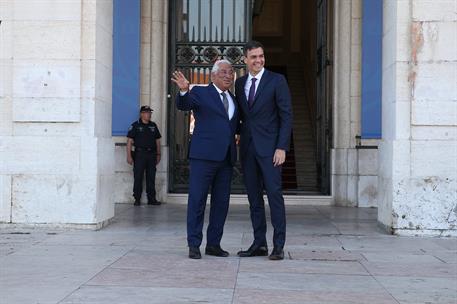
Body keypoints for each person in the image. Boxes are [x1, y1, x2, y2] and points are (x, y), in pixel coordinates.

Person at [171, 60, 239, 259]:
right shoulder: (201, 93)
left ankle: (214, 244)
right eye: (224, 72)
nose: (228, 76)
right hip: (203, 158)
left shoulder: (234, 99)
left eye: (231, 72)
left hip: (226, 159)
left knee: (221, 203)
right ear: (213, 75)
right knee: (197, 201)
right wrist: (184, 90)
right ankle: (194, 244)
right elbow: (184, 105)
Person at [235, 40, 293, 260]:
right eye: (253, 57)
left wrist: (281, 147)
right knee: (254, 199)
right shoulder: (240, 84)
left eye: (261, 56)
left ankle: (278, 245)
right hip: (248, 150)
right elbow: (241, 116)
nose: (258, 60)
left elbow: (286, 116)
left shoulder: (277, 81)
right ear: (245, 60)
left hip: (271, 151)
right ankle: (259, 243)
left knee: (275, 197)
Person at [126, 105, 162, 206]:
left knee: (151, 177)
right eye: (147, 112)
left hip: (151, 155)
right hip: (139, 155)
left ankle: (152, 199)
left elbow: (157, 141)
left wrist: (159, 154)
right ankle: (137, 198)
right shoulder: (135, 125)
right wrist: (128, 156)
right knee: (138, 177)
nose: (149, 114)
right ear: (142, 114)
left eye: (150, 112)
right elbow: (129, 141)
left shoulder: (153, 125)